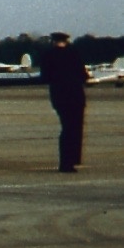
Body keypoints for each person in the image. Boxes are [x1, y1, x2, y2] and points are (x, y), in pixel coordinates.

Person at [39, 32, 90, 173]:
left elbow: (45, 77)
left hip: (60, 96)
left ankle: (65, 163)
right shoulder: (73, 53)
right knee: (75, 129)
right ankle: (73, 161)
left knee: (66, 128)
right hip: (76, 96)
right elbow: (83, 74)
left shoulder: (48, 54)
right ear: (66, 40)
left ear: (54, 41)